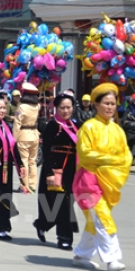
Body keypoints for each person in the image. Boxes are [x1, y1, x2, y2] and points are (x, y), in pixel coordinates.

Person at [72, 83, 131, 271]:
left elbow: (127, 156)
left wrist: (112, 165)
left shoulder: (118, 130)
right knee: (103, 218)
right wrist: (112, 160)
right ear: (96, 105)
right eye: (106, 103)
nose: (110, 107)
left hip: (109, 182)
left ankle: (81, 254)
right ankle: (112, 259)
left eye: (113, 104)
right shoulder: (88, 127)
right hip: (88, 180)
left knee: (95, 221)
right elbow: (85, 154)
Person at [33, 94, 79, 251]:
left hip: (71, 170)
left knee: (66, 203)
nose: (66, 110)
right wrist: (49, 173)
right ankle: (64, 238)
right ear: (56, 108)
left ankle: (42, 224)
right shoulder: (52, 125)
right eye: (62, 108)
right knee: (62, 204)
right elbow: (46, 150)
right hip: (56, 169)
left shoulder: (74, 125)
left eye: (69, 107)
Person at [0, 93, 25, 241]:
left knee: (6, 195)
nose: (2, 111)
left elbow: (13, 147)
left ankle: (2, 226)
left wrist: (20, 165)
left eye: (4, 108)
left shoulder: (6, 126)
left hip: (5, 168)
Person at [13, 82, 40, 192]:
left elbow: (17, 124)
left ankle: (24, 185)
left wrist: (13, 139)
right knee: (32, 161)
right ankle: (33, 185)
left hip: (23, 135)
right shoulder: (37, 106)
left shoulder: (22, 107)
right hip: (34, 133)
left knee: (23, 161)